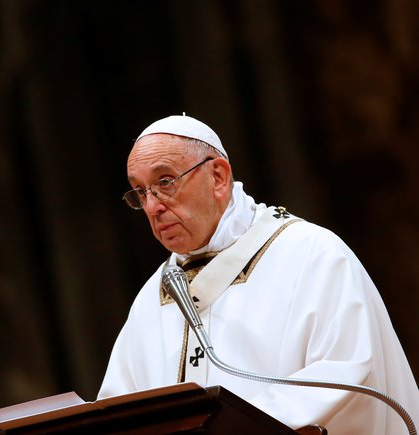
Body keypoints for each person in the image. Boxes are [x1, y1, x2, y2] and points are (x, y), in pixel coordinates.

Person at [98, 114, 419, 434]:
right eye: (140, 192)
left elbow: (347, 371)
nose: (152, 207)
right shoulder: (150, 302)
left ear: (218, 177)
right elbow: (118, 413)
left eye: (165, 182)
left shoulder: (311, 254)